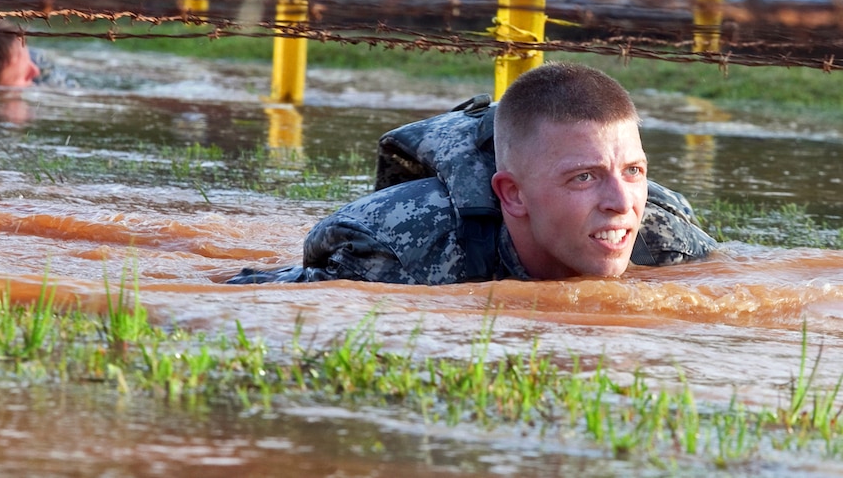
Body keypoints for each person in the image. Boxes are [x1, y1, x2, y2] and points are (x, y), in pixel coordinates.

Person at [228, 61, 718, 285]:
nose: (622, 202)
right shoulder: (401, 250)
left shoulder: (665, 239)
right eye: (584, 177)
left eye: (634, 170)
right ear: (513, 195)